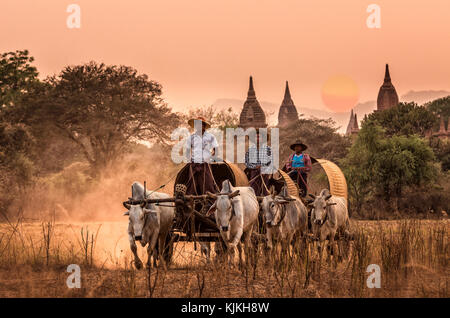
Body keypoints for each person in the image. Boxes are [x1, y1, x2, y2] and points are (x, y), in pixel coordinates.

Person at [184, 117, 219, 195]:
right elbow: (187, 150)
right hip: (194, 164)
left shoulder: (210, 137)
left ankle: (209, 202)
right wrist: (189, 160)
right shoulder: (191, 137)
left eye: (200, 125)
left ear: (203, 126)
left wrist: (211, 157)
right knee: (191, 186)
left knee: (208, 184)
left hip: (205, 164)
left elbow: (216, 149)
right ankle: (190, 201)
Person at [244, 130, 273, 196]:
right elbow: (247, 162)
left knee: (265, 191)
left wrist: (264, 168)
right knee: (253, 190)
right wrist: (254, 167)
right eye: (255, 137)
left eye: (259, 137)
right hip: (254, 173)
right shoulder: (250, 150)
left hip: (265, 174)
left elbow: (271, 162)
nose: (257, 139)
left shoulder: (268, 149)